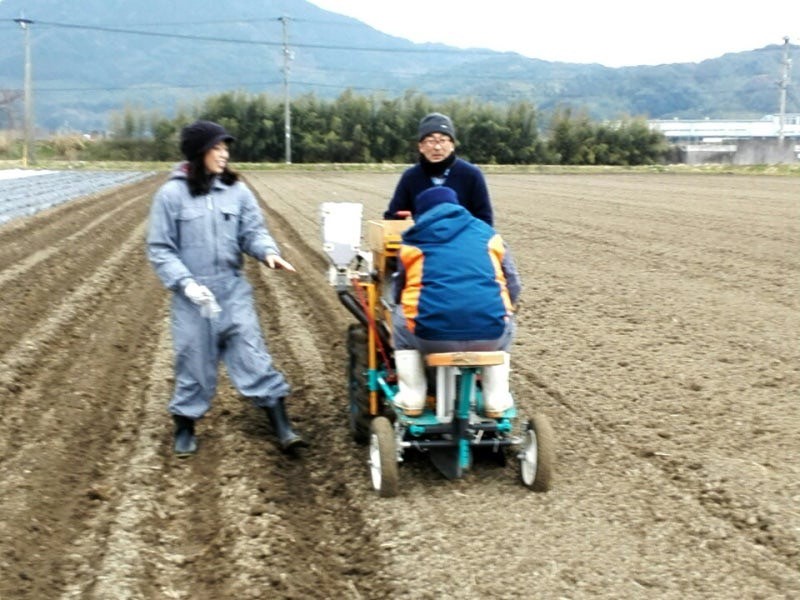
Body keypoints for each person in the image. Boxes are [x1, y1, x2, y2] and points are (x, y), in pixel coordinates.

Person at [146, 119, 308, 456]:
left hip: (232, 290)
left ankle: (282, 426)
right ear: (198, 152)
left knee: (253, 354)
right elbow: (160, 248)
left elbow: (253, 231)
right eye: (217, 148)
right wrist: (186, 284)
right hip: (193, 297)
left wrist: (268, 253)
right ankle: (185, 426)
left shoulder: (237, 190)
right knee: (193, 362)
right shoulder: (171, 194)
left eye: (225, 147)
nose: (224, 154)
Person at [391, 186, 521, 418]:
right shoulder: (489, 235)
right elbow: (513, 283)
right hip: (490, 337)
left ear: (421, 214)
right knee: (506, 318)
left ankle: (412, 397)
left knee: (400, 317)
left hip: (430, 337)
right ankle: (496, 400)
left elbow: (398, 289)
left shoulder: (412, 241)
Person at [383, 112, 493, 226]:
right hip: (422, 241)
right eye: (431, 141)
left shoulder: (471, 175)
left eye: (443, 140)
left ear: (452, 145)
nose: (437, 147)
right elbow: (393, 217)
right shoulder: (410, 177)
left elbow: (485, 220)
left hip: (462, 240)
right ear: (421, 147)